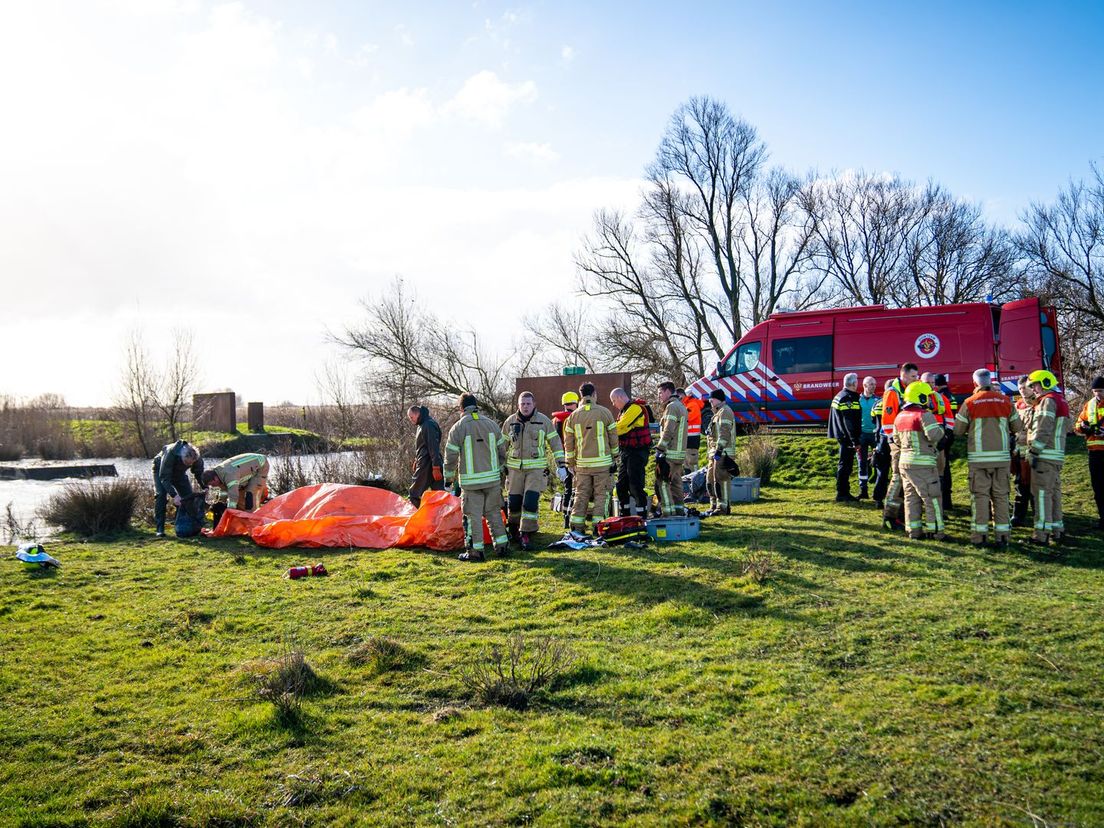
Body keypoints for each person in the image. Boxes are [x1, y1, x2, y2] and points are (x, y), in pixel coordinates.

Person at [953, 369, 1023, 547]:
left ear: (975, 383)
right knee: (1001, 497)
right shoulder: (1005, 401)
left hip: (979, 460)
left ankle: (980, 537)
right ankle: (1003, 537)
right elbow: (1017, 426)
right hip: (1001, 458)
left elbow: (958, 430)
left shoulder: (969, 402)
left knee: (980, 497)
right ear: (990, 381)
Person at [443, 393, 509, 562]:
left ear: (461, 408)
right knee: (494, 512)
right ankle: (502, 547)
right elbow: (503, 452)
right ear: (476, 406)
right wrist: (499, 470)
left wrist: (448, 481)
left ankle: (476, 551)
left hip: (471, 484)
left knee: (473, 517)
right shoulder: (492, 425)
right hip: (492, 481)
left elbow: (450, 457)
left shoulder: (458, 428)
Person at [502, 391, 567, 551]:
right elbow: (501, 446)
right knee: (514, 503)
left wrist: (561, 465)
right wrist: (499, 466)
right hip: (514, 470)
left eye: (528, 404)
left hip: (536, 471)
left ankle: (526, 532)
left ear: (534, 404)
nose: (525, 407)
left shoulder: (543, 421)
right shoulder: (510, 422)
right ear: (518, 405)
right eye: (522, 404)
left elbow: (556, 443)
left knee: (530, 502)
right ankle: (513, 529)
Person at [893, 381, 946, 540]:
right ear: (920, 397)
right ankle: (935, 532)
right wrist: (941, 430)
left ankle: (913, 531)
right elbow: (934, 435)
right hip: (923, 465)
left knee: (911, 498)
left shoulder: (900, 416)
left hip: (904, 463)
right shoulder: (924, 415)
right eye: (928, 396)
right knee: (932, 498)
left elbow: (896, 439)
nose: (930, 400)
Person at [563, 383, 619, 534]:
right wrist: (615, 457)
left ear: (581, 395)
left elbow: (568, 443)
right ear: (594, 394)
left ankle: (576, 527)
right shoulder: (605, 413)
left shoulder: (573, 416)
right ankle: (599, 527)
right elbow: (613, 438)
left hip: (582, 466)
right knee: (602, 495)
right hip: (603, 464)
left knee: (581, 495)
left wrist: (570, 463)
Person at [1025, 369, 1069, 546]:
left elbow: (1043, 429)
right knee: (1053, 494)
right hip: (1056, 455)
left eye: (1034, 385)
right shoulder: (1061, 400)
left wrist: (1034, 451)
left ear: (1044, 383)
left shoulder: (1048, 401)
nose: (1034, 389)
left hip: (1044, 455)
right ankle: (1057, 530)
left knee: (1042, 495)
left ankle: (1041, 534)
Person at [881, 362, 920, 530]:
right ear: (903, 375)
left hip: (908, 441)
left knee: (906, 480)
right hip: (898, 443)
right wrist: (895, 442)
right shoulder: (893, 392)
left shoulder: (910, 389)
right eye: (913, 376)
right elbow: (887, 421)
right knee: (897, 479)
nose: (916, 379)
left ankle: (902, 516)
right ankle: (889, 517)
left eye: (917, 376)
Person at [610, 387, 651, 518]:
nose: (613, 404)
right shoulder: (624, 411)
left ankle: (642, 516)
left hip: (638, 452)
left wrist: (609, 431)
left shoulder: (635, 408)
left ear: (621, 397)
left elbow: (620, 428)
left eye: (614, 400)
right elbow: (621, 427)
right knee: (620, 486)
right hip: (627, 452)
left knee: (635, 485)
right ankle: (625, 515)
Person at [152, 440, 205, 538]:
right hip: (161, 469)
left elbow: (199, 473)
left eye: (190, 464)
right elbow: (164, 478)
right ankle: (160, 529)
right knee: (161, 496)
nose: (188, 465)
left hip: (179, 474)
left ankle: (190, 525)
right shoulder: (171, 452)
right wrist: (174, 495)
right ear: (182, 457)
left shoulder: (196, 458)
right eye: (186, 463)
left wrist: (204, 487)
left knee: (188, 497)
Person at [654, 381, 689, 516]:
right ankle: (679, 511)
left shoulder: (671, 407)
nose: (659, 397)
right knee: (676, 484)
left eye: (660, 393)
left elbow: (668, 431)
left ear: (668, 391)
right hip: (679, 454)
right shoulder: (681, 406)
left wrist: (660, 449)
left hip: (670, 453)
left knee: (662, 483)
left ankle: (667, 513)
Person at [1074, 376, 1104, 530]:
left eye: (1100, 391)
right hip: (1094, 452)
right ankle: (1102, 518)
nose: (1097, 394)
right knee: (1098, 487)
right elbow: (1078, 424)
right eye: (1095, 391)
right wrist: (1084, 428)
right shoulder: (1089, 405)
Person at [827, 372, 862, 502]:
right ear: (853, 383)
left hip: (841, 435)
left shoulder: (839, 395)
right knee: (845, 466)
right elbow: (849, 422)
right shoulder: (848, 398)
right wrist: (855, 440)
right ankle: (842, 493)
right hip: (847, 437)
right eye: (857, 382)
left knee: (844, 464)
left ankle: (843, 491)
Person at [202, 453, 270, 512]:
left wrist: (230, 510)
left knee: (250, 494)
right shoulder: (218, 474)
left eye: (212, 484)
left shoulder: (229, 475)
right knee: (240, 499)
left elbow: (233, 494)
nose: (213, 486)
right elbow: (224, 491)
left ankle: (253, 519)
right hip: (246, 468)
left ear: (215, 479)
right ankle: (242, 518)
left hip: (261, 465)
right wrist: (222, 502)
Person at [705, 389, 736, 516]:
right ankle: (714, 505)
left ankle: (723, 507)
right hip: (715, 453)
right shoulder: (717, 413)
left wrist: (719, 449)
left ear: (719, 399)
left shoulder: (725, 412)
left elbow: (724, 432)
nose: (709, 401)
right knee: (710, 480)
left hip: (723, 453)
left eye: (712, 398)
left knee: (721, 480)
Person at [551, 392, 579, 529]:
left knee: (567, 489)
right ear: (576, 403)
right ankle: (574, 518)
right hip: (574, 458)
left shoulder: (556, 420)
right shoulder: (575, 418)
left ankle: (566, 518)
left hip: (562, 459)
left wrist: (559, 464)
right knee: (576, 489)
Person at [406, 404, 444, 507]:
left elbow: (433, 447)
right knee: (439, 495)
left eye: (411, 417)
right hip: (427, 462)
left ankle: (415, 519)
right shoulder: (422, 424)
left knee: (414, 494)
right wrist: (416, 459)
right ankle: (439, 519)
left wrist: (436, 467)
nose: (411, 420)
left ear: (417, 413)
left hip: (427, 464)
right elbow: (423, 445)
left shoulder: (428, 425)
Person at [1011, 376, 1036, 527]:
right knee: (1019, 484)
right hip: (1019, 451)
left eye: (1025, 388)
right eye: (1020, 389)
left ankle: (1037, 516)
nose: (1023, 391)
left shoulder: (1039, 402)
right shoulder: (1018, 404)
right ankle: (1018, 516)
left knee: (1034, 486)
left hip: (1034, 451)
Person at [932, 374, 957, 510]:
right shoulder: (950, 395)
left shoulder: (941, 397)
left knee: (941, 469)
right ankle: (947, 501)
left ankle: (944, 501)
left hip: (942, 434)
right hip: (947, 433)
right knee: (945, 467)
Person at [857, 376, 880, 499]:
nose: (873, 386)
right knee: (862, 463)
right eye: (871, 384)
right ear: (864, 386)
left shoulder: (878, 400)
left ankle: (878, 490)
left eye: (874, 384)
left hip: (875, 434)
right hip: (861, 435)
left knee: (879, 462)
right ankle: (863, 490)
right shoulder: (857, 400)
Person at [682, 389, 706, 456]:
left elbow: (687, 418)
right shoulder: (689, 405)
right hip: (690, 436)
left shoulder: (693, 405)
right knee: (689, 460)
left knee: (691, 461)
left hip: (692, 437)